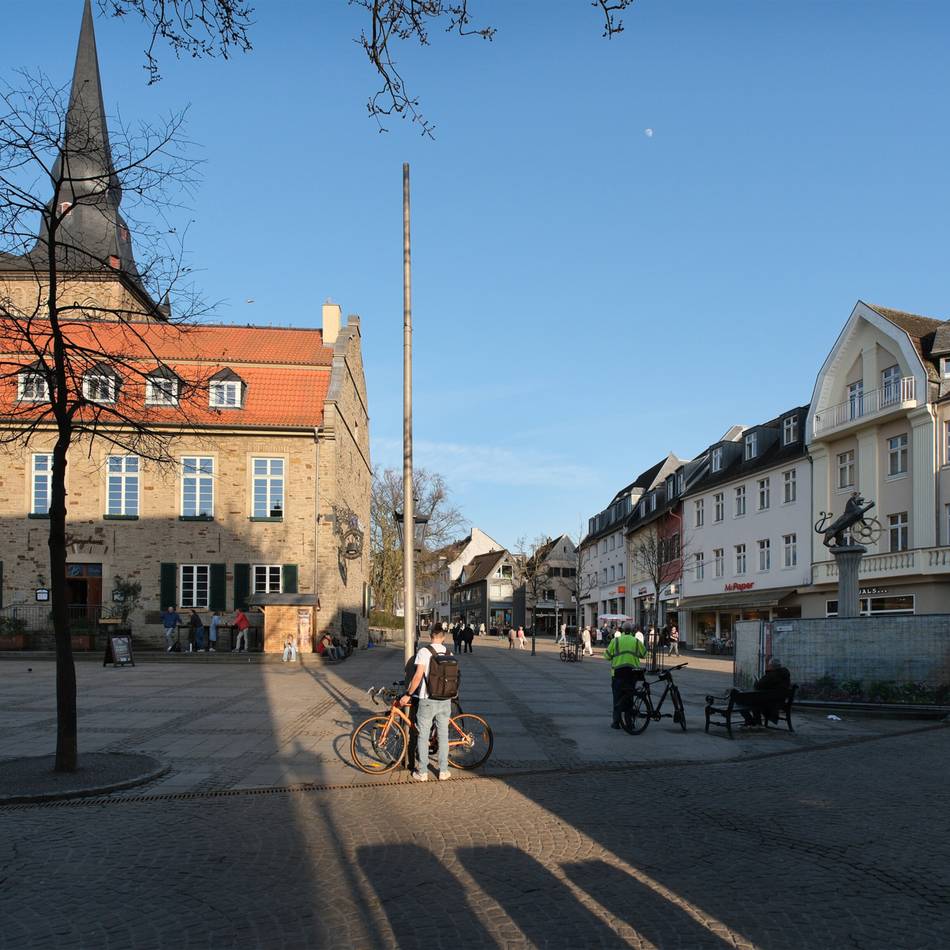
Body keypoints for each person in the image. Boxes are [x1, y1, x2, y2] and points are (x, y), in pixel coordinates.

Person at [399, 625, 453, 782]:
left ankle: (422, 772)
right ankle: (443, 771)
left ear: (430, 636)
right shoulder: (449, 653)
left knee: (423, 735)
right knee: (443, 735)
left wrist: (408, 694)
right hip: (445, 700)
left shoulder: (424, 652)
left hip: (427, 699)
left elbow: (417, 676)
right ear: (443, 637)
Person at [606, 621, 647, 729]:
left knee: (617, 698)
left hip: (618, 674)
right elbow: (644, 654)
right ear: (632, 630)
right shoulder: (636, 641)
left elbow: (607, 656)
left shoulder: (616, 641)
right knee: (629, 698)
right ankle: (629, 723)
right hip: (632, 674)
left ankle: (616, 722)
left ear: (622, 630)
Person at [743, 658, 792, 726]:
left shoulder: (772, 675)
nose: (768, 667)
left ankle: (753, 722)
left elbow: (758, 686)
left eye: (769, 665)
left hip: (772, 703)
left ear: (772, 666)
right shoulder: (785, 674)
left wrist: (757, 682)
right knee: (754, 701)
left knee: (746, 702)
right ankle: (755, 722)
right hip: (780, 700)